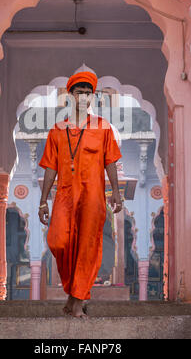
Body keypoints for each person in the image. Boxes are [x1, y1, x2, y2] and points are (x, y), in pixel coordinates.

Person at [38, 71, 123, 318]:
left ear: (92, 97)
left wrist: (116, 193)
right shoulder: (57, 130)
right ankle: (72, 292)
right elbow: (51, 167)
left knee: (87, 247)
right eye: (79, 93)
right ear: (71, 96)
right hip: (65, 195)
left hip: (93, 197)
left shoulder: (103, 127)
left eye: (88, 94)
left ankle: (76, 301)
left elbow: (110, 162)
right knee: (58, 241)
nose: (84, 98)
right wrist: (43, 201)